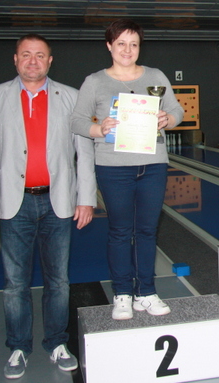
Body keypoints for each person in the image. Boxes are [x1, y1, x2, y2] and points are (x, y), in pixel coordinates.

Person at [0, 34, 96, 379]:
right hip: (14, 202)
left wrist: (86, 198)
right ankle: (18, 347)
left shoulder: (71, 97)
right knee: (15, 283)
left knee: (58, 281)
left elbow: (84, 153)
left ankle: (56, 342)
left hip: (58, 201)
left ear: (50, 61)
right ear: (15, 59)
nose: (33, 61)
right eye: (26, 54)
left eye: (40, 55)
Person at [71, 19, 184, 321]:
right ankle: (122, 293)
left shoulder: (155, 76)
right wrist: (99, 128)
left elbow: (177, 110)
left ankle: (146, 292)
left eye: (133, 44)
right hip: (113, 167)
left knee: (147, 230)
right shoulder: (95, 81)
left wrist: (168, 119)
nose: (127, 49)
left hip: (153, 164)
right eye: (121, 43)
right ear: (109, 45)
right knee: (120, 231)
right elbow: (77, 120)